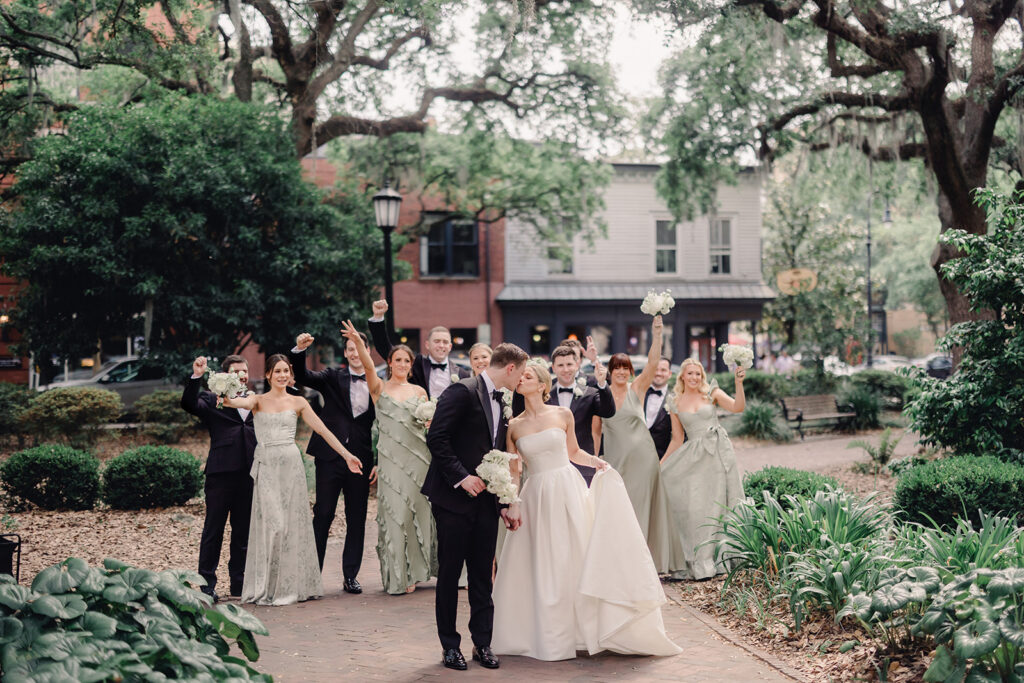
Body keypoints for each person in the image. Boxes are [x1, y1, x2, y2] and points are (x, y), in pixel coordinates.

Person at [491, 361, 681, 661]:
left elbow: (573, 452)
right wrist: (512, 502)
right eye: (520, 376)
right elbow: (514, 471)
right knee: (542, 562)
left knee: (575, 555)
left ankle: (585, 629)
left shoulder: (562, 414)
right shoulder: (513, 425)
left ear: (542, 384)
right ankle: (547, 632)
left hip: (567, 488)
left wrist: (597, 462)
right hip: (536, 495)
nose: (521, 379)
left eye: (528, 376)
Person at [224, 355, 363, 605]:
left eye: (285, 371)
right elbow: (236, 402)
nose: (282, 375)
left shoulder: (299, 401)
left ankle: (291, 585)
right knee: (273, 526)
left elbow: (322, 430)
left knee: (290, 527)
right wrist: (223, 394)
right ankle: (269, 585)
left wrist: (347, 455)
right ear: (268, 375)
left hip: (291, 467)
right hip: (266, 466)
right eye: (277, 371)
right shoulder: (257, 400)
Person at [423, 343, 529, 671]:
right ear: (509, 368)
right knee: (451, 574)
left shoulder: (503, 399)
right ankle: (449, 646)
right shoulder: (462, 391)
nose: (523, 379)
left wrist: (502, 503)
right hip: (453, 501)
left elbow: (495, 455)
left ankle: (482, 643)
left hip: (485, 503)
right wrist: (462, 478)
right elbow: (437, 439)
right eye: (522, 372)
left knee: (483, 576)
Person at [340, 320, 436, 595]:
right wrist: (358, 342)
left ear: (411, 364)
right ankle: (397, 575)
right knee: (395, 517)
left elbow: (425, 426)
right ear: (390, 363)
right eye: (398, 360)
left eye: (407, 360)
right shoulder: (379, 388)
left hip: (419, 460)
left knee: (415, 515)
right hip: (391, 462)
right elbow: (369, 366)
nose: (403, 364)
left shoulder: (420, 392)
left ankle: (415, 572)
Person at [289, 330, 376, 596]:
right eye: (349, 348)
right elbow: (303, 376)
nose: (353, 353)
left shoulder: (377, 383)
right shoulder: (332, 376)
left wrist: (379, 460)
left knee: (357, 518)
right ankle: (312, 575)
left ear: (366, 351)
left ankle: (350, 576)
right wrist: (299, 351)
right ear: (346, 352)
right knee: (324, 514)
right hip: (329, 457)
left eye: (357, 348)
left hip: (360, 459)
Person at [599, 315, 684, 574]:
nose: (622, 372)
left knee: (642, 510)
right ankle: (621, 561)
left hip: (643, 462)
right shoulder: (600, 395)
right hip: (615, 462)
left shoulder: (638, 389)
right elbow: (594, 433)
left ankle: (643, 564)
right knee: (619, 512)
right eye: (617, 368)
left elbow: (653, 363)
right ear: (610, 371)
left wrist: (657, 333)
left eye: (626, 368)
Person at [661, 358, 746, 580]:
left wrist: (739, 383)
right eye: (690, 374)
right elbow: (677, 439)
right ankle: (696, 561)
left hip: (718, 453)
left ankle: (721, 560)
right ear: (682, 377)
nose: (694, 378)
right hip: (694, 457)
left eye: (697, 374)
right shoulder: (675, 401)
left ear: (702, 376)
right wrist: (660, 465)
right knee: (696, 508)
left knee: (718, 506)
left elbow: (738, 407)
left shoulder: (712, 393)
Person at [181, 355, 257, 602]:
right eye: (237, 371)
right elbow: (189, 404)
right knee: (213, 530)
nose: (243, 375)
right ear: (226, 374)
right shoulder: (211, 399)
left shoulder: (254, 399)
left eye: (245, 371)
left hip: (249, 473)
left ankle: (239, 582)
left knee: (243, 531)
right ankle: (206, 584)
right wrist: (196, 376)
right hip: (221, 473)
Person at [368, 300, 470, 399]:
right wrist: (378, 318)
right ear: (427, 345)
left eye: (445, 342)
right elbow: (387, 350)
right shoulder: (416, 365)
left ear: (450, 347)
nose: (441, 345)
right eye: (437, 341)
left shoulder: (462, 374)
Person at [547, 341, 614, 484]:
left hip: (583, 467)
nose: (566, 369)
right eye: (560, 365)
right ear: (553, 368)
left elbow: (608, 411)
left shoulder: (590, 392)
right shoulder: (544, 392)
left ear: (577, 365)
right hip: (550, 467)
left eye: (569, 364)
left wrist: (602, 384)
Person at [646, 357, 674, 459]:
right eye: (655, 369)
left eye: (663, 370)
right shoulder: (639, 395)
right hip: (636, 459)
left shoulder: (675, 400)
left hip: (663, 460)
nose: (658, 373)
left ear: (669, 374)